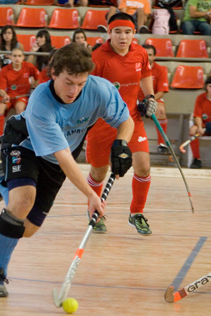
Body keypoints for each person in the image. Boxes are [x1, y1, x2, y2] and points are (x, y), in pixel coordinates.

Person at [0, 43, 134, 297]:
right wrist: (91, 195)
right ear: (54, 74)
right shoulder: (41, 101)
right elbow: (64, 158)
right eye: (68, 82)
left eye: (81, 83)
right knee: (22, 202)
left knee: (28, 229)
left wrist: (122, 144)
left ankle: (1, 184)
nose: (74, 91)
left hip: (58, 158)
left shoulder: (100, 90)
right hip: (25, 144)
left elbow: (125, 120)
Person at [85, 12, 157, 235]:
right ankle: (94, 212)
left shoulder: (140, 53)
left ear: (134, 33)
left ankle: (136, 213)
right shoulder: (98, 58)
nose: (123, 37)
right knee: (98, 173)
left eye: (127, 32)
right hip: (102, 122)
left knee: (143, 166)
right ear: (109, 33)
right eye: (117, 32)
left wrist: (150, 97)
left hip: (131, 118)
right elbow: (87, 91)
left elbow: (145, 74)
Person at [0, 48, 40, 147]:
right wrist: (4, 95)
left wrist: (34, 85)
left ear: (23, 57)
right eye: (14, 56)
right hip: (9, 96)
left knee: (20, 108)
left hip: (22, 97)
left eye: (19, 56)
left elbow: (38, 77)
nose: (17, 58)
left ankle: (21, 136)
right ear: (10, 57)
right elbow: (1, 89)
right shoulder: (5, 70)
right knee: (0, 107)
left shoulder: (29, 67)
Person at [139, 44, 169, 153]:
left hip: (154, 98)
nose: (147, 57)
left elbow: (161, 92)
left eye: (150, 55)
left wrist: (149, 100)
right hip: (135, 98)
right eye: (145, 54)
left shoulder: (161, 70)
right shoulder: (134, 67)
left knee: (160, 110)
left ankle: (162, 143)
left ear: (154, 57)